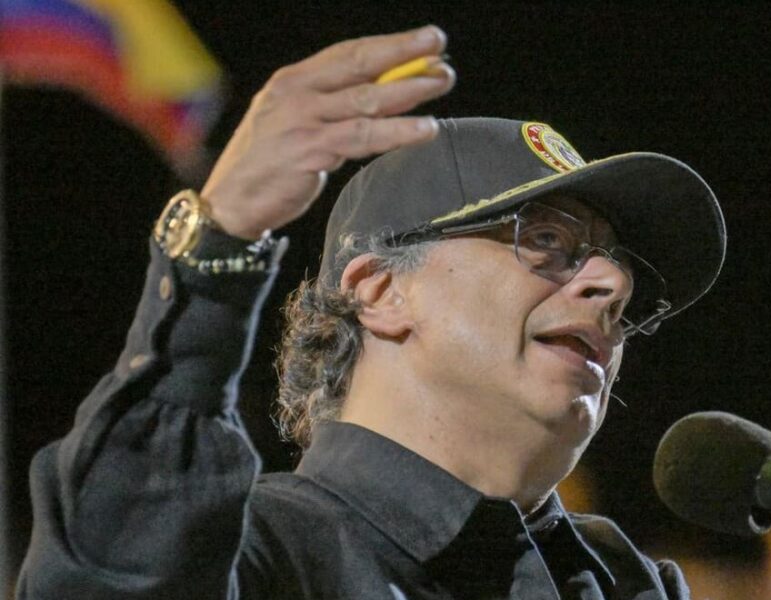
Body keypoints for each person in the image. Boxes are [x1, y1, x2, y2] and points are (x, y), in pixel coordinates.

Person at [17, 25, 725, 599]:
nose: (612, 283)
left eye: (619, 266)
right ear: (382, 292)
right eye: (544, 241)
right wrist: (216, 247)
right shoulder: (253, 555)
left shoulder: (629, 585)